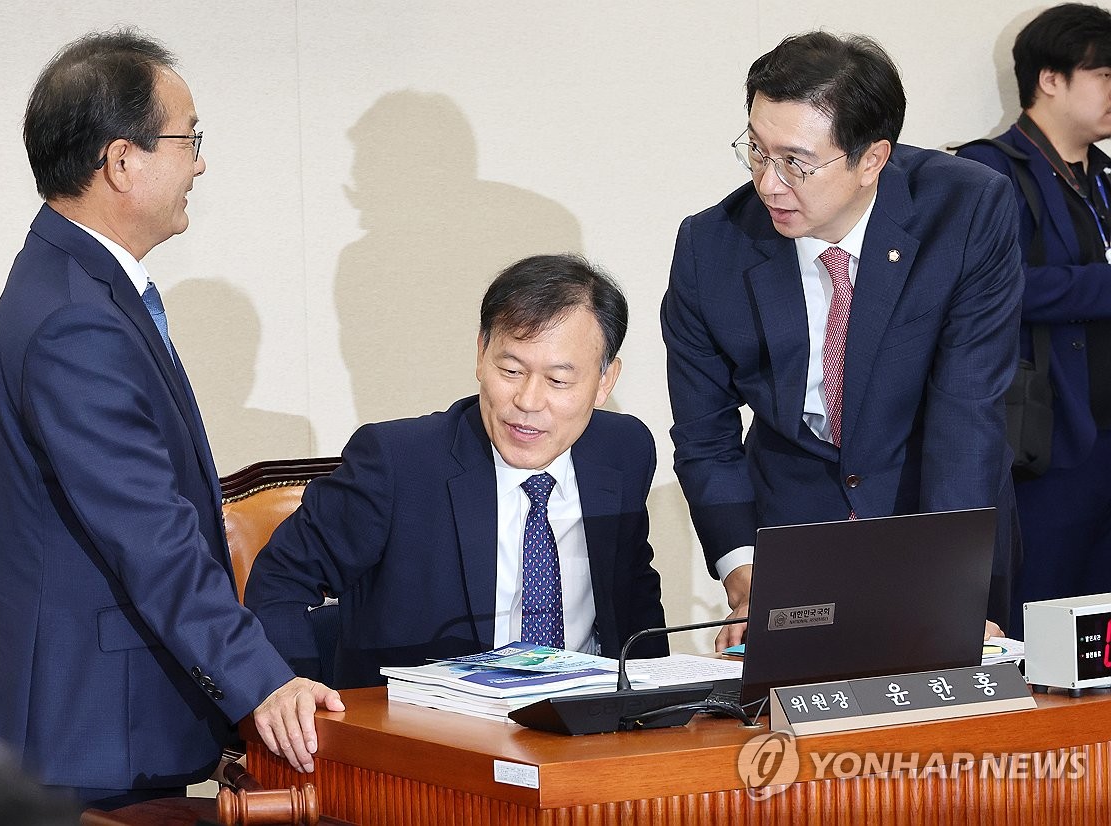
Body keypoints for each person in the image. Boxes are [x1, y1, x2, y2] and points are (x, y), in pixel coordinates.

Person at [0, 29, 341, 809]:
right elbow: (152, 535)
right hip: (92, 728)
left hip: (112, 714)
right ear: (120, 162)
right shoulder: (75, 319)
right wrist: (263, 683)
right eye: (189, 138)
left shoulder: (81, 285)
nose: (200, 162)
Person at [661, 32, 1023, 648]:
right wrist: (745, 571)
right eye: (756, 150)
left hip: (933, 508)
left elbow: (968, 411)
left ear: (872, 159)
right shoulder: (711, 248)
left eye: (795, 161)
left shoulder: (964, 210)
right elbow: (706, 437)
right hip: (793, 528)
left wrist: (949, 584)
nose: (769, 184)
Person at [245, 254, 668, 688]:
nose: (527, 400)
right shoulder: (398, 462)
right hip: (432, 732)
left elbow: (633, 594)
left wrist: (659, 712)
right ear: (481, 353)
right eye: (511, 370)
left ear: (605, 381)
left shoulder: (623, 451)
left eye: (558, 381)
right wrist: (291, 692)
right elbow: (280, 579)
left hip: (585, 727)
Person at [956, 3, 1111, 637]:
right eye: (1105, 75)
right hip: (1045, 440)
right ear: (1051, 78)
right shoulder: (988, 170)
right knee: (1041, 617)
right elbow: (998, 287)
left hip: (1105, 433)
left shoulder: (1103, 178)